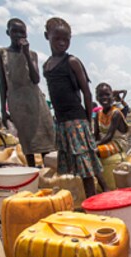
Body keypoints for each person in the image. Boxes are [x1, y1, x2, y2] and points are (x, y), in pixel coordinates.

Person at [43, 17, 108, 197]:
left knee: (86, 165)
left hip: (76, 119)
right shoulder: (47, 66)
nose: (62, 43)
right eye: (57, 39)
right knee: (82, 164)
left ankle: (93, 201)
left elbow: (87, 93)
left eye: (67, 39)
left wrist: (88, 121)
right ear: (46, 36)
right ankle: (102, 192)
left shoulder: (72, 61)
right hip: (62, 121)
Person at [0, 18, 55, 167]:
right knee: (27, 143)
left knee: (45, 142)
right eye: (14, 31)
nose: (18, 35)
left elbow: (35, 79)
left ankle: (47, 172)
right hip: (18, 103)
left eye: (22, 32)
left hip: (36, 101)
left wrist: (26, 54)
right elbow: (3, 82)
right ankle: (32, 171)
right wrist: (3, 109)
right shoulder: (1, 53)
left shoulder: (32, 54)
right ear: (7, 33)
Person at [94, 82, 129, 159]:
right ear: (97, 98)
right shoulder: (98, 114)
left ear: (112, 96)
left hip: (118, 143)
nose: (104, 97)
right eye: (101, 95)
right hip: (104, 142)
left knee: (94, 152)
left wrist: (94, 145)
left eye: (107, 94)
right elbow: (96, 134)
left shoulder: (116, 113)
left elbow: (109, 136)